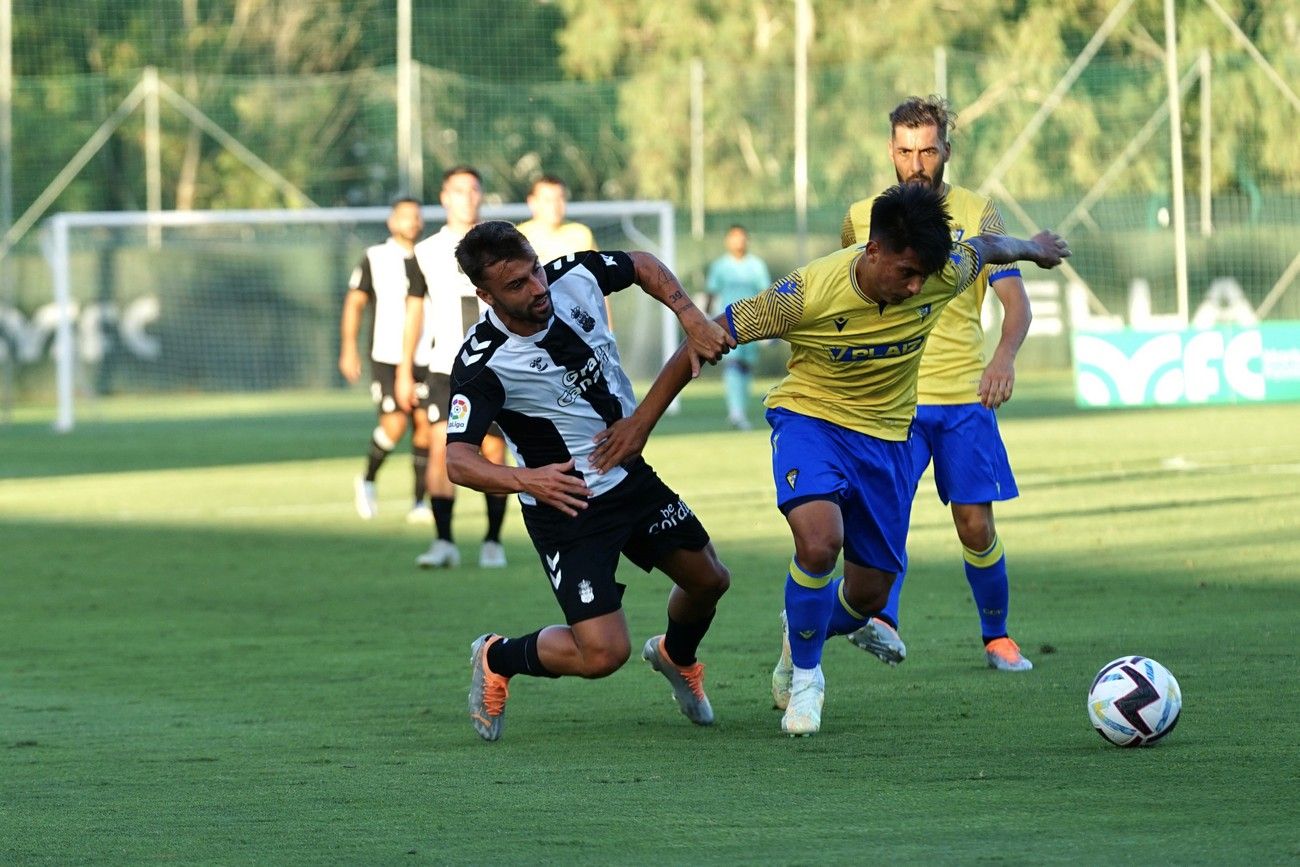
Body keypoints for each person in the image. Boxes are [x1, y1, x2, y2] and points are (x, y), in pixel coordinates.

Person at [590, 184, 1069, 736]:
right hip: (810, 420)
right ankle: (807, 682)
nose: (917, 286)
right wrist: (640, 426)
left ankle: (800, 632)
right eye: (907, 271)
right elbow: (704, 338)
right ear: (873, 251)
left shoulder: (944, 269)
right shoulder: (807, 293)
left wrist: (1034, 247)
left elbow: (989, 246)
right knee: (818, 541)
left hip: (887, 438)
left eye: (924, 275)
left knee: (868, 596)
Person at [444, 220, 735, 742]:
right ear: (484, 294)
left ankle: (676, 655)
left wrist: (690, 316)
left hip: (629, 479)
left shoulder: (572, 276)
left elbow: (642, 264)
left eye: (534, 269)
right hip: (567, 505)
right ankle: (497, 654)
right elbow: (458, 461)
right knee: (603, 654)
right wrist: (527, 480)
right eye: (517, 285)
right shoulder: (481, 362)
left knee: (710, 580)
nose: (536, 288)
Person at [840, 96, 1035, 673]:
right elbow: (842, 295)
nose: (917, 163)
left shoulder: (979, 213)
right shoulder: (861, 216)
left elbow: (1015, 303)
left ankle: (997, 638)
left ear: (946, 150)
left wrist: (1002, 358)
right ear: (891, 152)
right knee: (884, 518)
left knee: (975, 524)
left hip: (964, 400)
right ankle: (882, 621)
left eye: (928, 150)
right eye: (905, 151)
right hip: (890, 399)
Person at [397, 166, 509, 569]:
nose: (466, 197)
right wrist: (403, 369)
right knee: (445, 447)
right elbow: (413, 314)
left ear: (481, 196)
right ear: (444, 197)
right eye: (458, 190)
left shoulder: (502, 244)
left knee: (494, 449)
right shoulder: (425, 252)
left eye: (473, 190)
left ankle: (493, 540)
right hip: (446, 366)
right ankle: (443, 540)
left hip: (498, 364)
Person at [337, 197, 432, 523]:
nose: (412, 222)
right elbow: (355, 303)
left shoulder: (429, 256)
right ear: (392, 222)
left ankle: (420, 503)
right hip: (388, 355)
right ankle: (367, 479)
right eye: (405, 216)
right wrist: (348, 346)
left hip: (427, 356)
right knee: (395, 423)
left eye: (417, 216)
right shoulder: (375, 257)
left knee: (425, 427)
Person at [516, 174, 613, 327]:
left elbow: (599, 284)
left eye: (559, 198)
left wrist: (608, 329)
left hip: (576, 324)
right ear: (532, 202)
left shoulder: (581, 234)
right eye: (548, 200)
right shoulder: (517, 238)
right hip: (534, 327)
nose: (555, 205)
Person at [703, 225, 771, 430]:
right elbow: (711, 293)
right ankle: (736, 412)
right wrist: (705, 320)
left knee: (745, 367)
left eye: (741, 238)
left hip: (753, 324)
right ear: (728, 241)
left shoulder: (756, 265)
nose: (738, 242)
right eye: (734, 238)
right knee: (732, 365)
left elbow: (766, 294)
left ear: (747, 240)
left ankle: (740, 409)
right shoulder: (720, 266)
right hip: (727, 323)